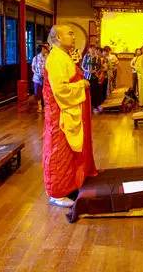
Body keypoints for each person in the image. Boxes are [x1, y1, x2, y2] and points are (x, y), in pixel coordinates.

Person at [43, 25, 97, 208]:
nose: (73, 36)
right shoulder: (56, 58)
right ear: (57, 37)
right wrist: (81, 85)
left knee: (69, 151)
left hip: (68, 110)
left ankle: (70, 185)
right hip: (61, 113)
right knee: (60, 150)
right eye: (70, 33)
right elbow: (61, 90)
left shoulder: (63, 55)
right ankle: (57, 192)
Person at [81, 46, 107, 114]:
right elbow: (82, 66)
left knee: (95, 92)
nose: (92, 50)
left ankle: (96, 106)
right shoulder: (86, 56)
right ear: (88, 49)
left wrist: (95, 71)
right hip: (87, 77)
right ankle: (88, 107)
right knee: (88, 93)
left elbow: (99, 67)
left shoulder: (97, 58)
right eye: (91, 48)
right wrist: (88, 71)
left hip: (95, 77)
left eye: (93, 48)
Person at [32, 44, 49, 112]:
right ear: (42, 49)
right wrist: (37, 73)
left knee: (45, 92)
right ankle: (39, 106)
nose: (45, 50)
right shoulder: (35, 58)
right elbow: (33, 68)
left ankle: (45, 106)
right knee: (37, 93)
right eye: (44, 49)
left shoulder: (47, 58)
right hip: (37, 78)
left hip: (45, 78)